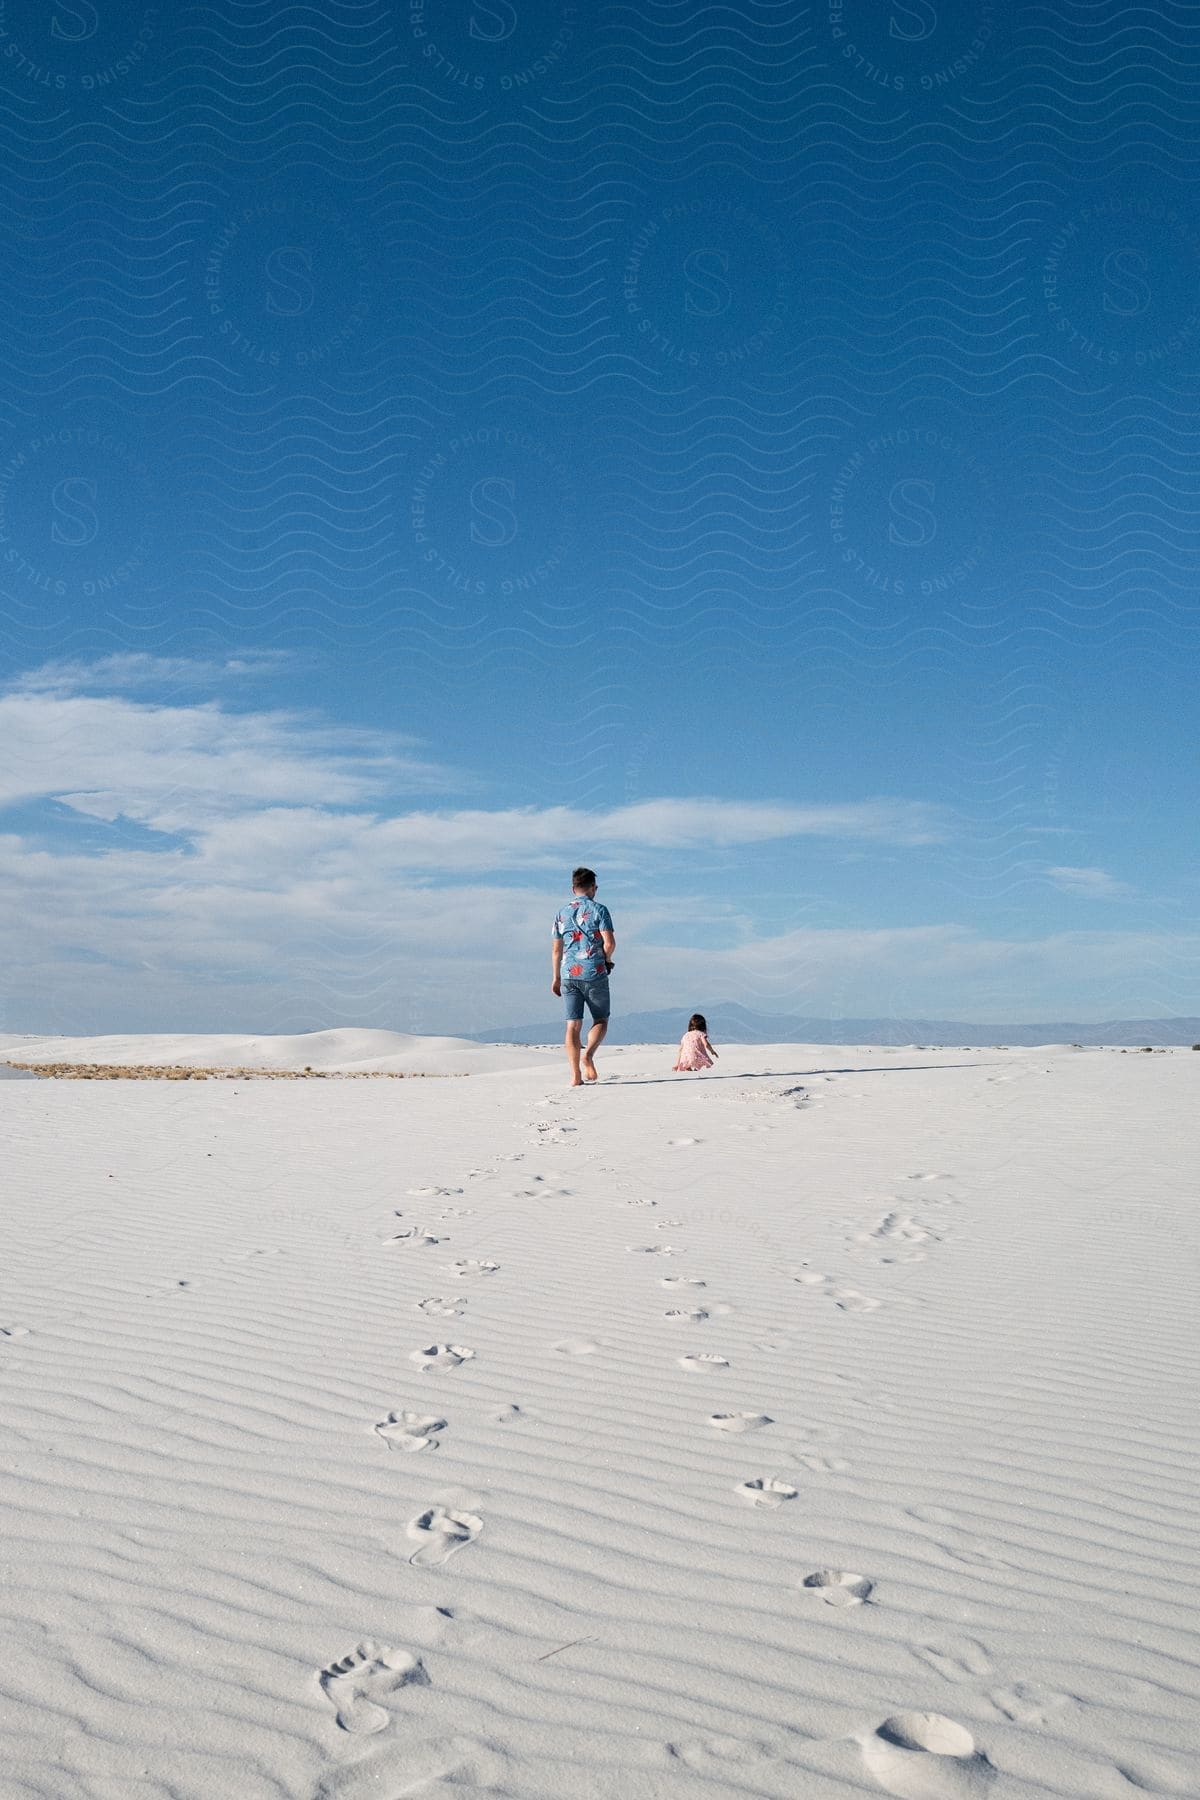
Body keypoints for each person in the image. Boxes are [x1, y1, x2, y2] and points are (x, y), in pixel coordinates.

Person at [551, 867, 615, 1086]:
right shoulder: (600, 910)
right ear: (592, 888)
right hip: (594, 972)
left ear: (573, 888)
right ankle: (588, 1056)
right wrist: (606, 960)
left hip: (568, 973)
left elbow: (556, 950)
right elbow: (610, 943)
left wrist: (556, 977)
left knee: (572, 1025)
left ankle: (575, 1075)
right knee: (600, 1019)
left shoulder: (561, 913)